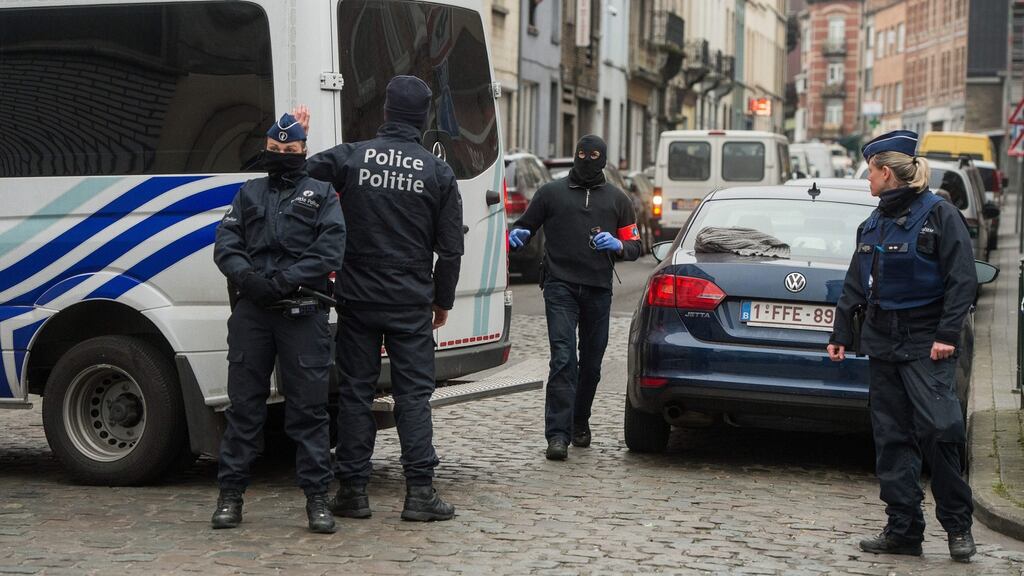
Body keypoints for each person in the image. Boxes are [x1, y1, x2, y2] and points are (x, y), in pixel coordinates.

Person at [298, 75, 464, 522]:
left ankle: (353, 490)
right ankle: (419, 494)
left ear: (385, 112)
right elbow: (450, 249)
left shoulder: (352, 157)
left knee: (355, 393)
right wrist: (441, 300)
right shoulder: (437, 171)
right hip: (411, 300)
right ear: (424, 116)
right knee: (413, 396)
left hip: (356, 297)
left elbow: (302, 173)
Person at [827, 129, 977, 563]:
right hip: (883, 342)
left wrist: (947, 336)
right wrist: (840, 334)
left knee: (940, 432)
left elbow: (963, 279)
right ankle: (904, 529)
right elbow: (856, 284)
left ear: (887, 172)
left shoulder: (940, 215)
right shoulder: (872, 223)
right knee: (891, 438)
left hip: (927, 344)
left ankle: (958, 529)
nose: (867, 180)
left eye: (870, 172)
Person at [211, 114, 346, 533]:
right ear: (266, 151)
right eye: (276, 151)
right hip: (253, 312)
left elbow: (329, 249)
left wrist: (286, 280)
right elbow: (226, 244)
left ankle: (317, 501)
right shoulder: (248, 193)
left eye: (291, 151)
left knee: (308, 413)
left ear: (304, 152)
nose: (283, 157)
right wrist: (249, 279)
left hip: (302, 311)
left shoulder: (322, 194)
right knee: (244, 410)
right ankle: (230, 497)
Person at [508, 135, 642, 460]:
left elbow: (636, 247)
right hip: (559, 285)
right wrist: (517, 236)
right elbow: (524, 226)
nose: (586, 159)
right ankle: (557, 434)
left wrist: (619, 245)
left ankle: (580, 420)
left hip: (598, 289)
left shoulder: (618, 199)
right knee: (564, 358)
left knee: (592, 364)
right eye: (581, 153)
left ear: (604, 159)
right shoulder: (550, 193)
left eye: (594, 155)